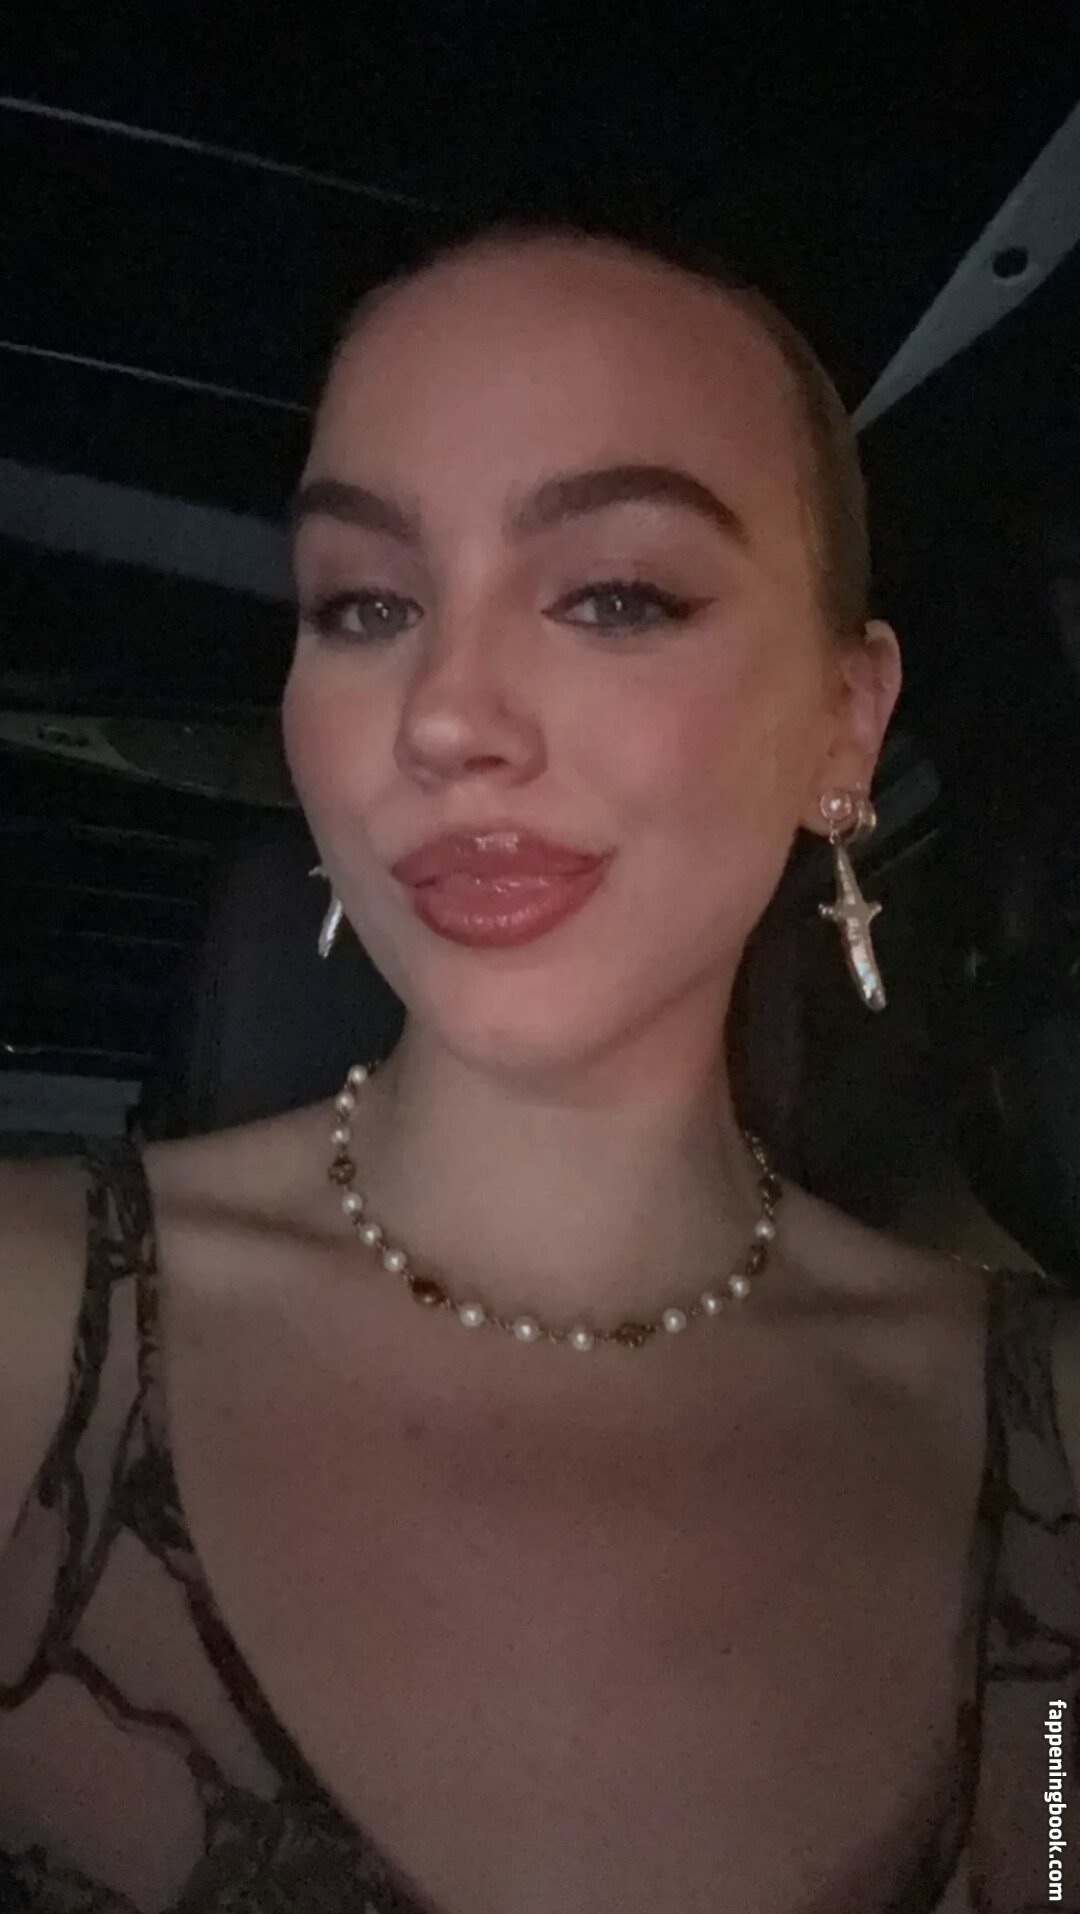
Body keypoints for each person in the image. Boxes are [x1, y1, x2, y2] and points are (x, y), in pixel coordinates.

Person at [0, 216, 1077, 1914]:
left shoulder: (1056, 1438)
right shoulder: (24, 1337)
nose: (443, 715)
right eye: (365, 603)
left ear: (846, 720)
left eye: (613, 594)